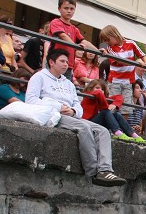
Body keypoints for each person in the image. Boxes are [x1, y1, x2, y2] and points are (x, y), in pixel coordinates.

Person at [25, 49, 126, 186]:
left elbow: (78, 106)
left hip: (71, 116)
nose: (66, 64)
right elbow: (31, 100)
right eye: (62, 61)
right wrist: (58, 107)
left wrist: (73, 111)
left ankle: (105, 170)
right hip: (51, 115)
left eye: (67, 62)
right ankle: (93, 171)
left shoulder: (68, 83)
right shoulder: (39, 77)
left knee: (102, 131)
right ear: (51, 62)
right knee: (83, 127)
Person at [99, 25, 146, 113]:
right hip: (115, 81)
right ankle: (113, 125)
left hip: (128, 81)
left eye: (108, 40)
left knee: (126, 108)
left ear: (114, 35)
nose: (107, 43)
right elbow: (120, 61)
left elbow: (141, 54)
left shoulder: (131, 43)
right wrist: (138, 63)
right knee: (113, 106)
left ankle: (121, 125)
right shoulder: (110, 49)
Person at [49, 0, 96, 79]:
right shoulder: (56, 22)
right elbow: (63, 35)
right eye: (66, 8)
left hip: (69, 64)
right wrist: (76, 46)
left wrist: (97, 51)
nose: (69, 11)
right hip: (55, 62)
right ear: (59, 9)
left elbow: (84, 41)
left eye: (72, 9)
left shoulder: (74, 28)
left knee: (66, 90)